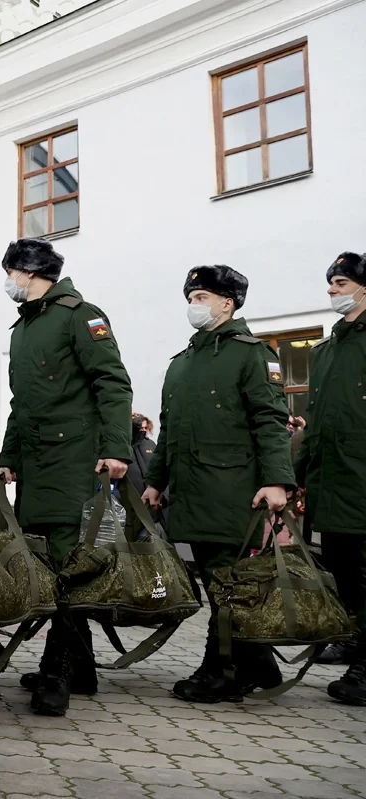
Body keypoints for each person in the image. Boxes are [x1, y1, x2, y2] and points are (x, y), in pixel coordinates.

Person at [0, 238, 134, 717]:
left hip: (77, 464)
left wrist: (116, 448)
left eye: (10, 271)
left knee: (72, 568)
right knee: (55, 568)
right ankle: (83, 667)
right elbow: (21, 402)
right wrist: (9, 455)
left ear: (29, 272)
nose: (7, 281)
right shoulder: (23, 329)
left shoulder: (80, 314)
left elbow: (113, 383)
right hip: (38, 467)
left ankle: (58, 671)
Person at [143, 265, 293, 704]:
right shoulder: (182, 363)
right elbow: (168, 431)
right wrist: (155, 482)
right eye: (191, 298)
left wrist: (277, 481)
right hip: (191, 492)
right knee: (217, 582)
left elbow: (270, 421)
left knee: (225, 584)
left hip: (232, 491)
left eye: (202, 297)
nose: (194, 305)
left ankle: (221, 672)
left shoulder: (252, 354)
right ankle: (258, 662)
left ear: (227, 303)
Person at [295, 251, 366, 701]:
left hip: (362, 479)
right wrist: (297, 474)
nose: (331, 291)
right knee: (341, 569)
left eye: (339, 283)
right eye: (332, 283)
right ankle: (350, 638)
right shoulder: (327, 350)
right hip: (332, 480)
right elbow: (317, 420)